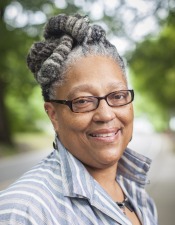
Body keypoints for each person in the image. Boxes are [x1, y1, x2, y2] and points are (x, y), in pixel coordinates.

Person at [0, 13, 158, 225]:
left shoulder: (139, 196)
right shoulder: (24, 212)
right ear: (53, 115)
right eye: (83, 101)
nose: (106, 114)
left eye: (118, 96)